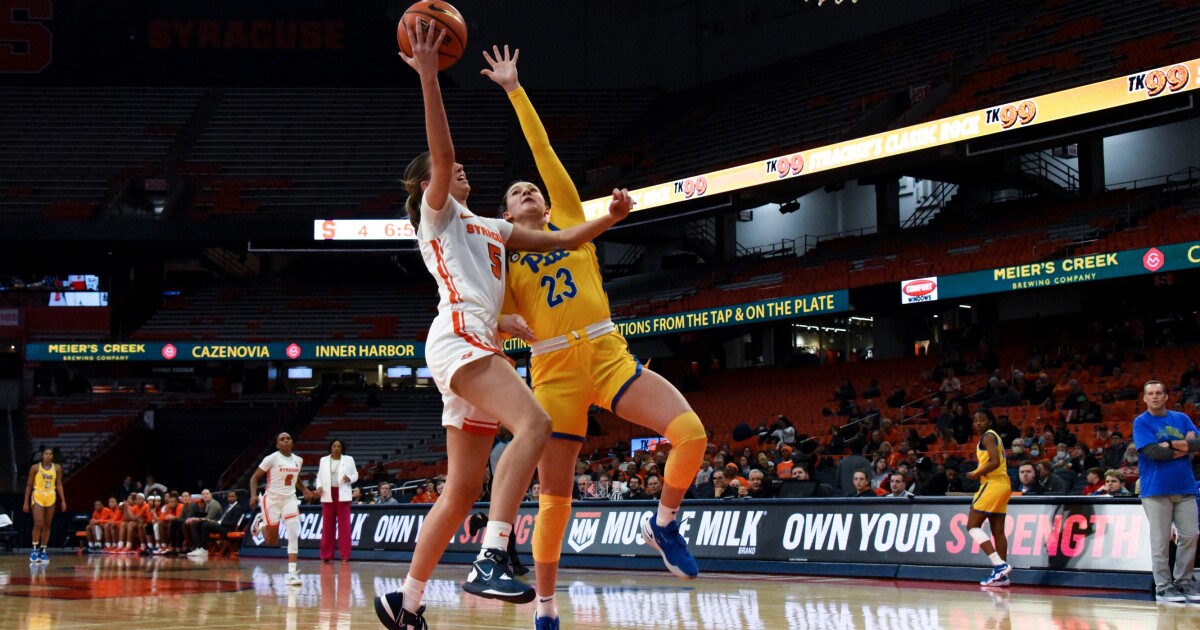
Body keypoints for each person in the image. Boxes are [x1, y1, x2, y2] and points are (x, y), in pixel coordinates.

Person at [375, 28, 634, 630]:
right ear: (425, 189)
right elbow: (439, 157)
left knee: (461, 487)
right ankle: (492, 555)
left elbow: (566, 238)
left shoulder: (494, 227)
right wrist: (429, 76)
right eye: (450, 171)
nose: (459, 171)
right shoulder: (440, 215)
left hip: (474, 343)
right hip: (460, 337)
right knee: (537, 423)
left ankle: (406, 604)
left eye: (463, 170)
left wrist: (609, 218)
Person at [481, 43, 706, 626]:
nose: (528, 192)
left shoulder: (570, 219)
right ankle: (548, 610)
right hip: (552, 376)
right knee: (556, 500)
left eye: (533, 189)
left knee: (691, 433)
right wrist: (503, 320)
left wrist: (514, 89)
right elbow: (490, 315)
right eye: (516, 192)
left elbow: (543, 149)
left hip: (606, 355)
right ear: (504, 212)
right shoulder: (502, 254)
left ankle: (663, 523)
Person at [1132, 380, 1200, 603]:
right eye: (1150, 393)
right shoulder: (1141, 422)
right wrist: (1183, 445)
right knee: (1160, 541)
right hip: (1156, 489)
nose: (1154, 396)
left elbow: (1198, 444)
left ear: (1166, 396)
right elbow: (1153, 452)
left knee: (1191, 535)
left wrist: (1169, 445)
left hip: (1184, 486)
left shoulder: (1181, 418)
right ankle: (1163, 586)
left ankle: (1183, 582)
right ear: (1144, 398)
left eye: (1159, 393)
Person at [249, 432, 314, 587]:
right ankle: (262, 525)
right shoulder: (271, 458)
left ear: (292, 442)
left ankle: (292, 574)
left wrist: (304, 490)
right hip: (271, 500)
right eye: (282, 439)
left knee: (293, 533)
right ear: (277, 445)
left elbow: (295, 478)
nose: (286, 441)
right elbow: (254, 478)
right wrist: (253, 495)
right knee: (272, 542)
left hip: (290, 499)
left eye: (288, 439)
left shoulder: (298, 460)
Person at [965, 410, 1013, 586]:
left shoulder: (988, 437)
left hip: (992, 483)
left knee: (972, 525)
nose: (978, 423)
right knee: (998, 531)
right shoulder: (994, 436)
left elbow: (995, 462)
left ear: (990, 422)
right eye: (975, 420)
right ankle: (1002, 576)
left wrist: (975, 473)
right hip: (1004, 484)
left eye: (982, 419)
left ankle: (999, 565)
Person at [316, 438, 358, 563]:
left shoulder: (348, 459)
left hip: (343, 495)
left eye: (339, 446)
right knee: (327, 526)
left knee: (344, 526)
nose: (336, 448)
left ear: (342, 448)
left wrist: (349, 478)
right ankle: (326, 555)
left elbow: (356, 474)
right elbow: (319, 476)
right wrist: (319, 487)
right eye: (334, 446)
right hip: (328, 494)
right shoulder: (323, 460)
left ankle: (345, 555)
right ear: (331, 447)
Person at [23, 448, 65, 564]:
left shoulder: (57, 468)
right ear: (42, 456)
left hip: (51, 495)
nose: (48, 456)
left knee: (47, 524)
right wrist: (25, 502)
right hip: (38, 494)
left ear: (52, 456)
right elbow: (29, 485)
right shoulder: (35, 468)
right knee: (39, 523)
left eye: (50, 454)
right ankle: (34, 550)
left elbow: (59, 485)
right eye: (46, 454)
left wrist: (63, 501)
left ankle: (44, 550)